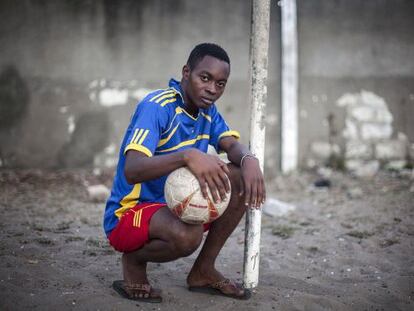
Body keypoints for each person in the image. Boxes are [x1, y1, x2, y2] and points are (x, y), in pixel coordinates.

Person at [104, 43, 266, 303]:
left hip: (172, 208)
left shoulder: (208, 113)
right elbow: (132, 170)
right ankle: (133, 261)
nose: (212, 89)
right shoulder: (157, 107)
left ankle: (203, 271)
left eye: (221, 83)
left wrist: (249, 160)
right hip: (129, 214)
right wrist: (187, 155)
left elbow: (231, 145)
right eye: (205, 78)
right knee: (186, 236)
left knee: (237, 177)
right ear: (186, 72)